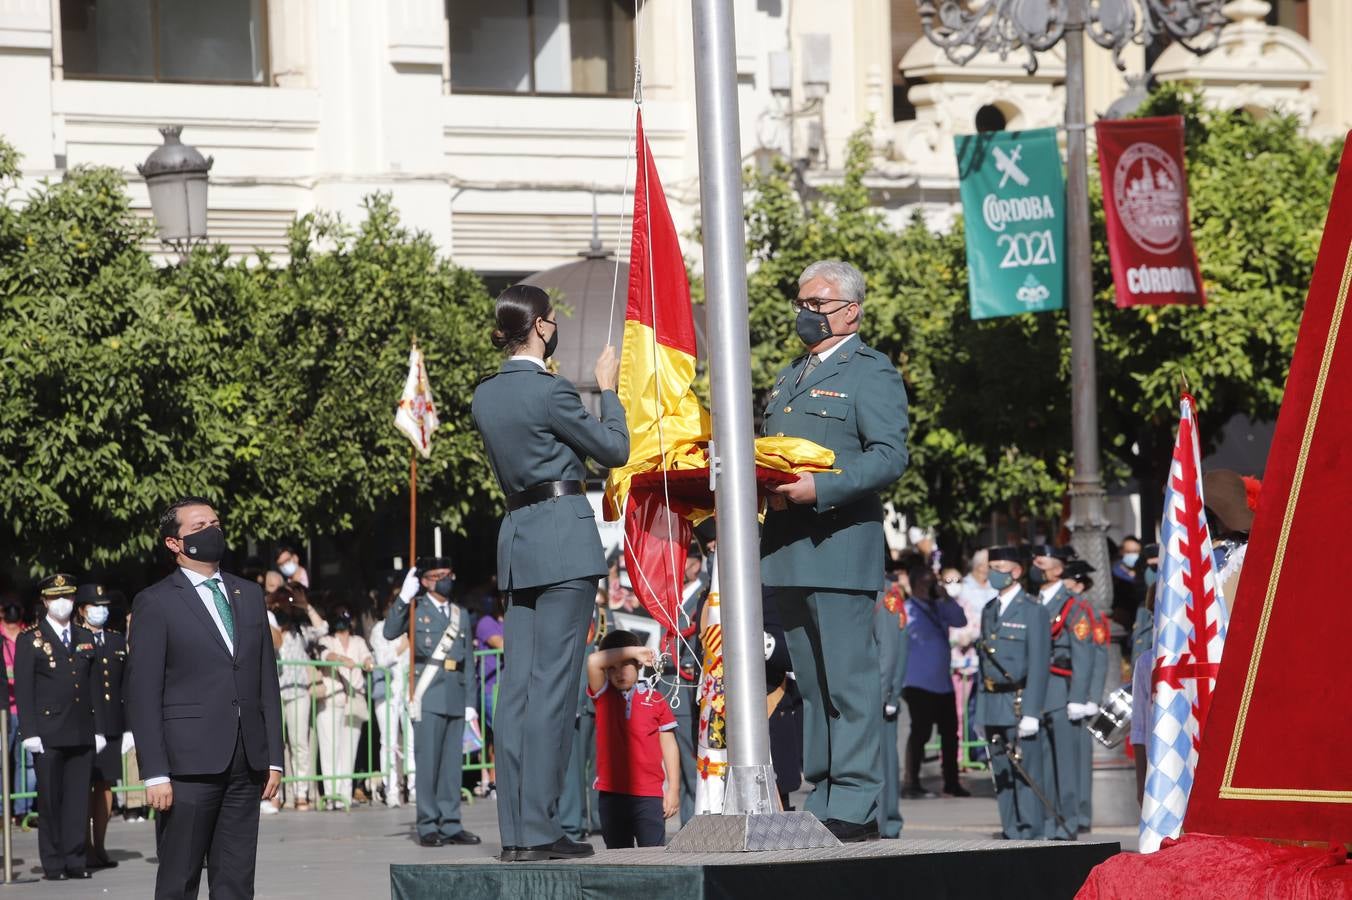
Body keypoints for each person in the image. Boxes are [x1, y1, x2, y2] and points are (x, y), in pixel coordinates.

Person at [471, 283, 628, 862]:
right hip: (562, 535)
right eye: (552, 319)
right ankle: (541, 829)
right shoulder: (551, 391)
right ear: (539, 325)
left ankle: (517, 833)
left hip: (519, 538)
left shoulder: (486, 395)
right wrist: (608, 391)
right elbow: (613, 449)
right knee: (555, 692)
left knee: (517, 692)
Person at [759, 259, 910, 843]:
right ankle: (822, 791)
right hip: (790, 546)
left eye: (815, 304)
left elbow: (889, 454)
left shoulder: (870, 371)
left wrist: (821, 486)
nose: (805, 313)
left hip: (839, 543)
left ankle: (854, 798)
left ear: (850, 310)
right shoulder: (788, 375)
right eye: (801, 302)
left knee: (848, 681)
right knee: (814, 683)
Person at [126, 497, 283, 900]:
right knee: (180, 878)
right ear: (174, 543)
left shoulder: (247, 594)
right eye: (198, 526)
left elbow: (265, 679)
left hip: (245, 761)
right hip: (187, 766)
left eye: (215, 522)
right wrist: (155, 772)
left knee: (235, 879)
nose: (212, 531)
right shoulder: (155, 601)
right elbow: (143, 692)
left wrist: (274, 758)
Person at [383, 557, 478, 846]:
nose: (446, 579)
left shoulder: (460, 614)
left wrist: (470, 701)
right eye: (438, 575)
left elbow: (469, 662)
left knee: (452, 766)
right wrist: (403, 596)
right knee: (428, 764)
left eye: (449, 573)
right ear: (425, 581)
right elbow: (389, 632)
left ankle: (451, 823)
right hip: (428, 693)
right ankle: (427, 824)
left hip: (455, 693)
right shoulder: (416, 609)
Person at [14, 574, 103, 880]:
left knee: (78, 800)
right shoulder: (31, 639)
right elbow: (24, 690)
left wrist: (100, 729)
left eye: (66, 596)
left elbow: (93, 687)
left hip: (81, 729)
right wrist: (30, 731)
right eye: (55, 597)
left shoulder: (83, 636)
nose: (62, 603)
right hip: (48, 731)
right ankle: (53, 863)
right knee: (51, 800)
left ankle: (75, 860)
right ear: (45, 601)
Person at [975, 547, 1050, 841]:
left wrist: (1032, 711)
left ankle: (1031, 834)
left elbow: (1039, 664)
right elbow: (984, 665)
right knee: (1002, 775)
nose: (993, 573)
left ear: (1016, 571)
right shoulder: (989, 609)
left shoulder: (1033, 610)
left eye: (999, 567)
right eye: (990, 566)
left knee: (1026, 773)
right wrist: (980, 712)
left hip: (1019, 702)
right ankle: (1010, 831)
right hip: (993, 702)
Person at [586, 630, 679, 849]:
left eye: (626, 664)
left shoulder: (655, 699)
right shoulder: (603, 696)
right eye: (612, 667)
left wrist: (673, 789)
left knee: (653, 859)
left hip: (649, 796)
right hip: (612, 796)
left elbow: (669, 745)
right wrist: (636, 651)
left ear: (639, 665)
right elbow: (593, 661)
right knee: (618, 860)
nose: (619, 673)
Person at [900, 568, 970, 800]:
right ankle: (912, 782)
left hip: (943, 683)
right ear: (913, 584)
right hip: (918, 682)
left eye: (932, 582)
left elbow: (960, 620)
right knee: (921, 733)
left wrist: (945, 596)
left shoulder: (939, 607)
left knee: (951, 734)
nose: (929, 586)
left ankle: (951, 782)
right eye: (925, 582)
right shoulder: (908, 609)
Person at [75, 582, 129, 869]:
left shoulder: (118, 641)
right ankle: (82, 846)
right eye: (95, 607)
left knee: (105, 784)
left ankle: (101, 845)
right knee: (82, 786)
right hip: (84, 723)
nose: (100, 611)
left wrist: (129, 726)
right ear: (82, 610)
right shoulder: (75, 639)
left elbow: (125, 685)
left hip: (110, 723)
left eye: (104, 607)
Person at [265, 583, 326, 812]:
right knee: (276, 745)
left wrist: (306, 607)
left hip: (299, 690)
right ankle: (276, 795)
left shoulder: (301, 631)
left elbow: (322, 629)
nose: (284, 610)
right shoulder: (269, 630)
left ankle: (302, 793)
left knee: (300, 742)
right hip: (276, 691)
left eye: (287, 606)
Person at [1061, 560, 1106, 833]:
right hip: (1064, 688)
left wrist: (1092, 695)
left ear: (1077, 584)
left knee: (1077, 755)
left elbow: (1098, 655)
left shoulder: (1086, 611)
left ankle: (1080, 813)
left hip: (1077, 691)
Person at [316, 607, 373, 810]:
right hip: (332, 699)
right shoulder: (326, 640)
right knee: (330, 749)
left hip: (354, 699)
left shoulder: (358, 641)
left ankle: (345, 794)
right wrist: (341, 659)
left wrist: (367, 662)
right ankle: (331, 796)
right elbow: (324, 654)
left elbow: (367, 657)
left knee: (349, 751)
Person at [369, 587, 412, 808]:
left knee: (412, 741)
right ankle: (391, 789)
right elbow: (381, 658)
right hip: (387, 691)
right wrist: (400, 647)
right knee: (389, 741)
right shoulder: (379, 629)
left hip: (409, 692)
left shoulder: (411, 628)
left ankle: (413, 788)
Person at [875, 569, 909, 837]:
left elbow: (889, 650)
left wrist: (886, 694)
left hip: (878, 694)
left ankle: (886, 824)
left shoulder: (885, 594)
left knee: (883, 763)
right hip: (873, 692)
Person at [0, 598, 35, 821]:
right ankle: (3, 811)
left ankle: (24, 810)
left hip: (25, 707)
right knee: (3, 762)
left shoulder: (29, 635)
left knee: (28, 762)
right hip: (3, 708)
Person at [473, 593, 506, 799]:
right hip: (490, 688)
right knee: (498, 734)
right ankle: (493, 781)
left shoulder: (512, 620)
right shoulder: (486, 622)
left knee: (501, 736)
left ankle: (497, 779)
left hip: (507, 686)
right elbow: (502, 645)